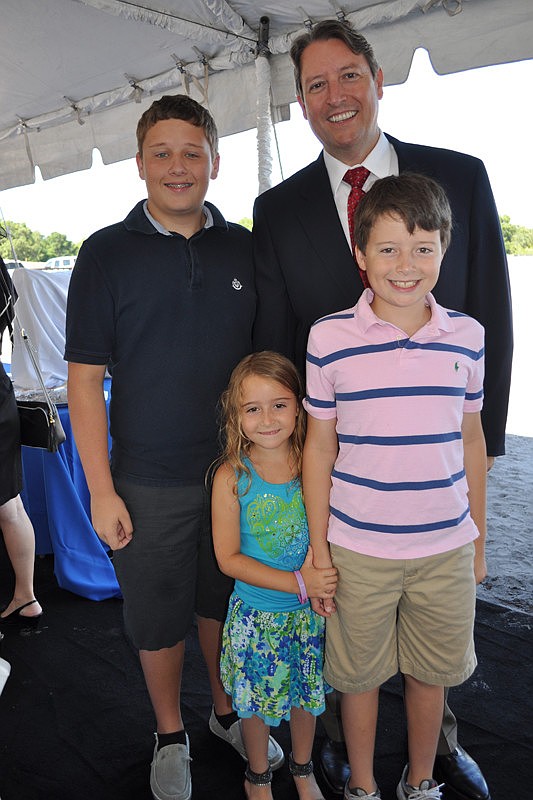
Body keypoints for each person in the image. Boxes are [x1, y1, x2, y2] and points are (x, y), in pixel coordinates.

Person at [252, 18, 510, 799]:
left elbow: (490, 312)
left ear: (377, 78)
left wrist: (483, 460)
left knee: (435, 646)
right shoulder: (277, 206)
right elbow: (278, 344)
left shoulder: (457, 176)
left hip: (438, 474)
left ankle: (433, 757)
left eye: (347, 76)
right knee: (352, 642)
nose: (335, 96)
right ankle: (344, 754)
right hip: (350, 490)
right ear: (300, 102)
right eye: (315, 85)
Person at [64, 95, 283, 800]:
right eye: (162, 152)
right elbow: (83, 380)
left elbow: (270, 372)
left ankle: (223, 712)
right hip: (147, 481)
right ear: (139, 164)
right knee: (156, 615)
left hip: (236, 477)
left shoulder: (246, 246)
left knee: (222, 603)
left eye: (192, 151)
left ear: (215, 162)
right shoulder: (103, 253)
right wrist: (100, 489)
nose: (177, 166)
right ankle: (168, 732)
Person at [302, 172, 487, 800]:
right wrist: (319, 550)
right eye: (387, 249)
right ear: (359, 255)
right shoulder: (328, 340)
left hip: (445, 549)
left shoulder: (468, 336)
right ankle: (361, 783)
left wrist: (478, 544)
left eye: (423, 248)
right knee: (356, 678)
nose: (405, 265)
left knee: (431, 676)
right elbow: (320, 447)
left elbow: (472, 441)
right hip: (358, 550)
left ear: (444, 250)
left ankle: (423, 778)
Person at [211, 351, 338, 800]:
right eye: (253, 408)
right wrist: (300, 584)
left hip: (308, 619)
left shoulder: (313, 464)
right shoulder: (232, 477)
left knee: (307, 696)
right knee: (255, 706)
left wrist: (317, 577)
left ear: (300, 405)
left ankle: (302, 769)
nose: (267, 418)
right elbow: (228, 558)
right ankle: (258, 776)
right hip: (257, 620)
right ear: (236, 414)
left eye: (279, 404)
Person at [0, 255, 43, 631]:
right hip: (1, 399)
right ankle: (26, 595)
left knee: (10, 506)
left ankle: (26, 595)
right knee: (10, 505)